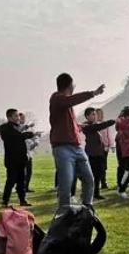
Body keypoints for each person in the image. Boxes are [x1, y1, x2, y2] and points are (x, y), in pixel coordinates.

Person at [49, 73, 105, 209]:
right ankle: (64, 211)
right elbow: (71, 100)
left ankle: (87, 208)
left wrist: (80, 127)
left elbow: (70, 124)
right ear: (70, 85)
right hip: (62, 148)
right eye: (73, 85)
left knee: (88, 179)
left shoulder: (66, 106)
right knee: (66, 182)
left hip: (77, 148)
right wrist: (93, 93)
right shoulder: (56, 98)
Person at [0, 109, 37, 207]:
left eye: (18, 116)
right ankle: (5, 201)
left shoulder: (18, 127)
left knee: (21, 181)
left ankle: (22, 200)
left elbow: (21, 134)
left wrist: (28, 132)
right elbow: (18, 136)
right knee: (10, 181)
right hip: (12, 160)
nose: (18, 118)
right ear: (9, 117)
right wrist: (30, 134)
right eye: (15, 116)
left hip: (21, 158)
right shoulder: (4, 128)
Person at [82, 107, 116, 200]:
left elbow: (100, 126)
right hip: (92, 154)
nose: (95, 116)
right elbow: (99, 126)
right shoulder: (87, 126)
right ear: (87, 116)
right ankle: (89, 194)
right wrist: (113, 121)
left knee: (98, 174)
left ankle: (96, 193)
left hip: (99, 154)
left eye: (95, 114)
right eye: (93, 114)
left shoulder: (95, 125)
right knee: (92, 175)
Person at [96, 108, 114, 190]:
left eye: (102, 114)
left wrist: (112, 146)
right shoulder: (94, 124)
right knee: (98, 166)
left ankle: (103, 183)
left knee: (103, 166)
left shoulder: (105, 124)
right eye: (99, 114)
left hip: (105, 148)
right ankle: (98, 182)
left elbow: (109, 135)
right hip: (96, 148)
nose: (101, 115)